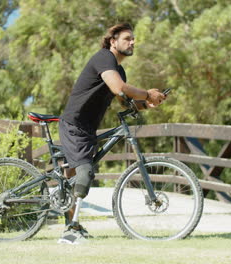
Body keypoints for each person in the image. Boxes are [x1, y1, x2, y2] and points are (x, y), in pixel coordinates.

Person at [57, 23, 166, 244]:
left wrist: (148, 103)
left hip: (87, 128)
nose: (132, 42)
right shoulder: (104, 58)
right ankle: (70, 233)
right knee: (85, 171)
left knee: (74, 175)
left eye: (133, 39)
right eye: (127, 38)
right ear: (112, 41)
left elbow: (123, 100)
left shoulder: (118, 69)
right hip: (74, 125)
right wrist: (147, 93)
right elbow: (118, 88)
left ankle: (70, 218)